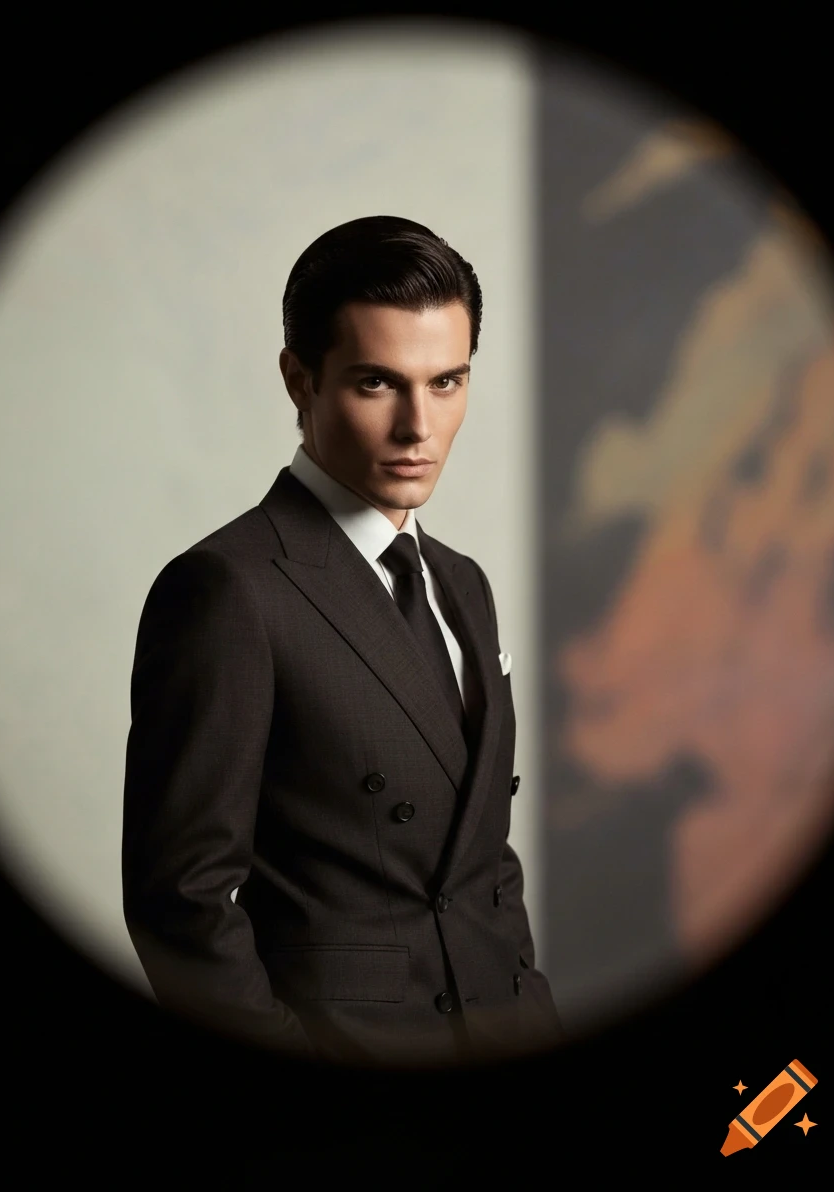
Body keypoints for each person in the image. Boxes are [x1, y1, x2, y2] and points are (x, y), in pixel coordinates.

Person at [121, 214, 564, 1066]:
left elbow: (480, 860)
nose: (418, 428)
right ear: (300, 379)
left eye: (447, 382)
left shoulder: (462, 582)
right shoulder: (230, 588)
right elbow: (181, 900)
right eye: (376, 383)